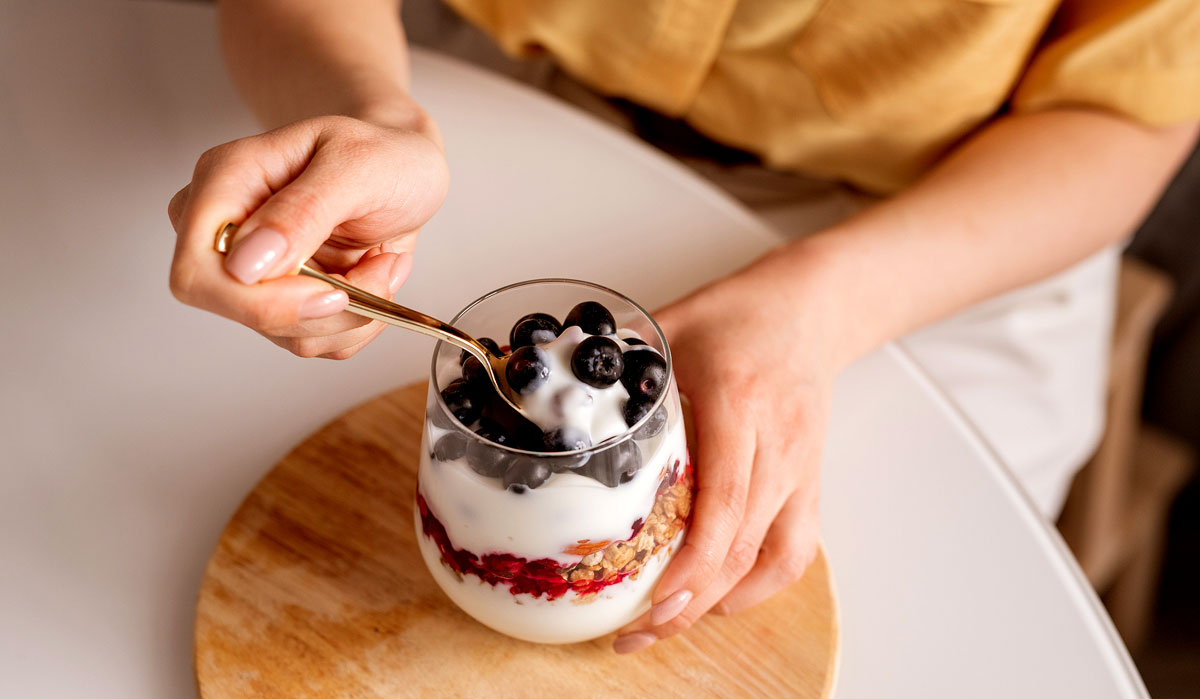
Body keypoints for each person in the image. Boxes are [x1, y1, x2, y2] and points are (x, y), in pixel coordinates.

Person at [167, 0, 1200, 655]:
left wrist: (820, 307)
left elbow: (1137, 107)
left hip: (931, 215)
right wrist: (365, 111)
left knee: (909, 624)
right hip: (473, 73)